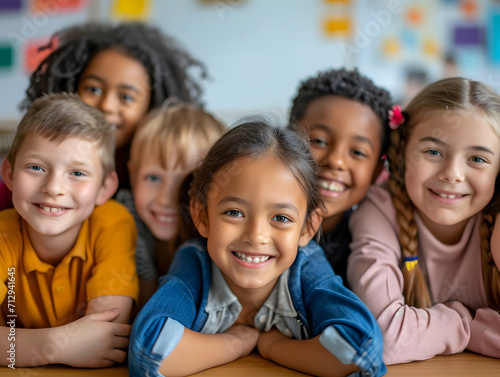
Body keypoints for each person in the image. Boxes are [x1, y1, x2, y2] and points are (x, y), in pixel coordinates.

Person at [129, 119, 386, 377]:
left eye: (281, 218)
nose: (256, 236)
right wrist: (235, 343)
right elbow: (149, 350)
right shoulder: (194, 261)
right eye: (234, 212)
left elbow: (362, 349)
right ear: (202, 216)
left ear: (308, 227)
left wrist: (273, 346)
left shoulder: (306, 266)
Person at [348, 77, 500, 364]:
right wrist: (463, 324)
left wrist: (464, 328)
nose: (452, 173)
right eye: (433, 151)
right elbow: (384, 338)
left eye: (477, 159)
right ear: (403, 153)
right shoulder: (380, 209)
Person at [0, 21, 207, 211]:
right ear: (70, 87)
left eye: (126, 97)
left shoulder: (162, 182)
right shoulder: (28, 178)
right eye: (94, 89)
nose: (106, 106)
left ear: (152, 105)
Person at [0, 93, 139, 367]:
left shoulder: (113, 222)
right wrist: (55, 346)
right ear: (10, 175)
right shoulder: (3, 235)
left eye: (77, 173)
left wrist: (18, 345)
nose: (53, 188)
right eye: (36, 167)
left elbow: (106, 334)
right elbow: (88, 342)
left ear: (105, 188)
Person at [116, 102, 225, 310]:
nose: (166, 199)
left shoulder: (219, 234)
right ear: (132, 175)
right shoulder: (122, 222)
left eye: (188, 182)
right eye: (154, 178)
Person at [289, 68, 393, 285]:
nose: (336, 160)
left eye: (357, 152)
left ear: (376, 171)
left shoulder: (370, 249)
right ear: (285, 139)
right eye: (318, 141)